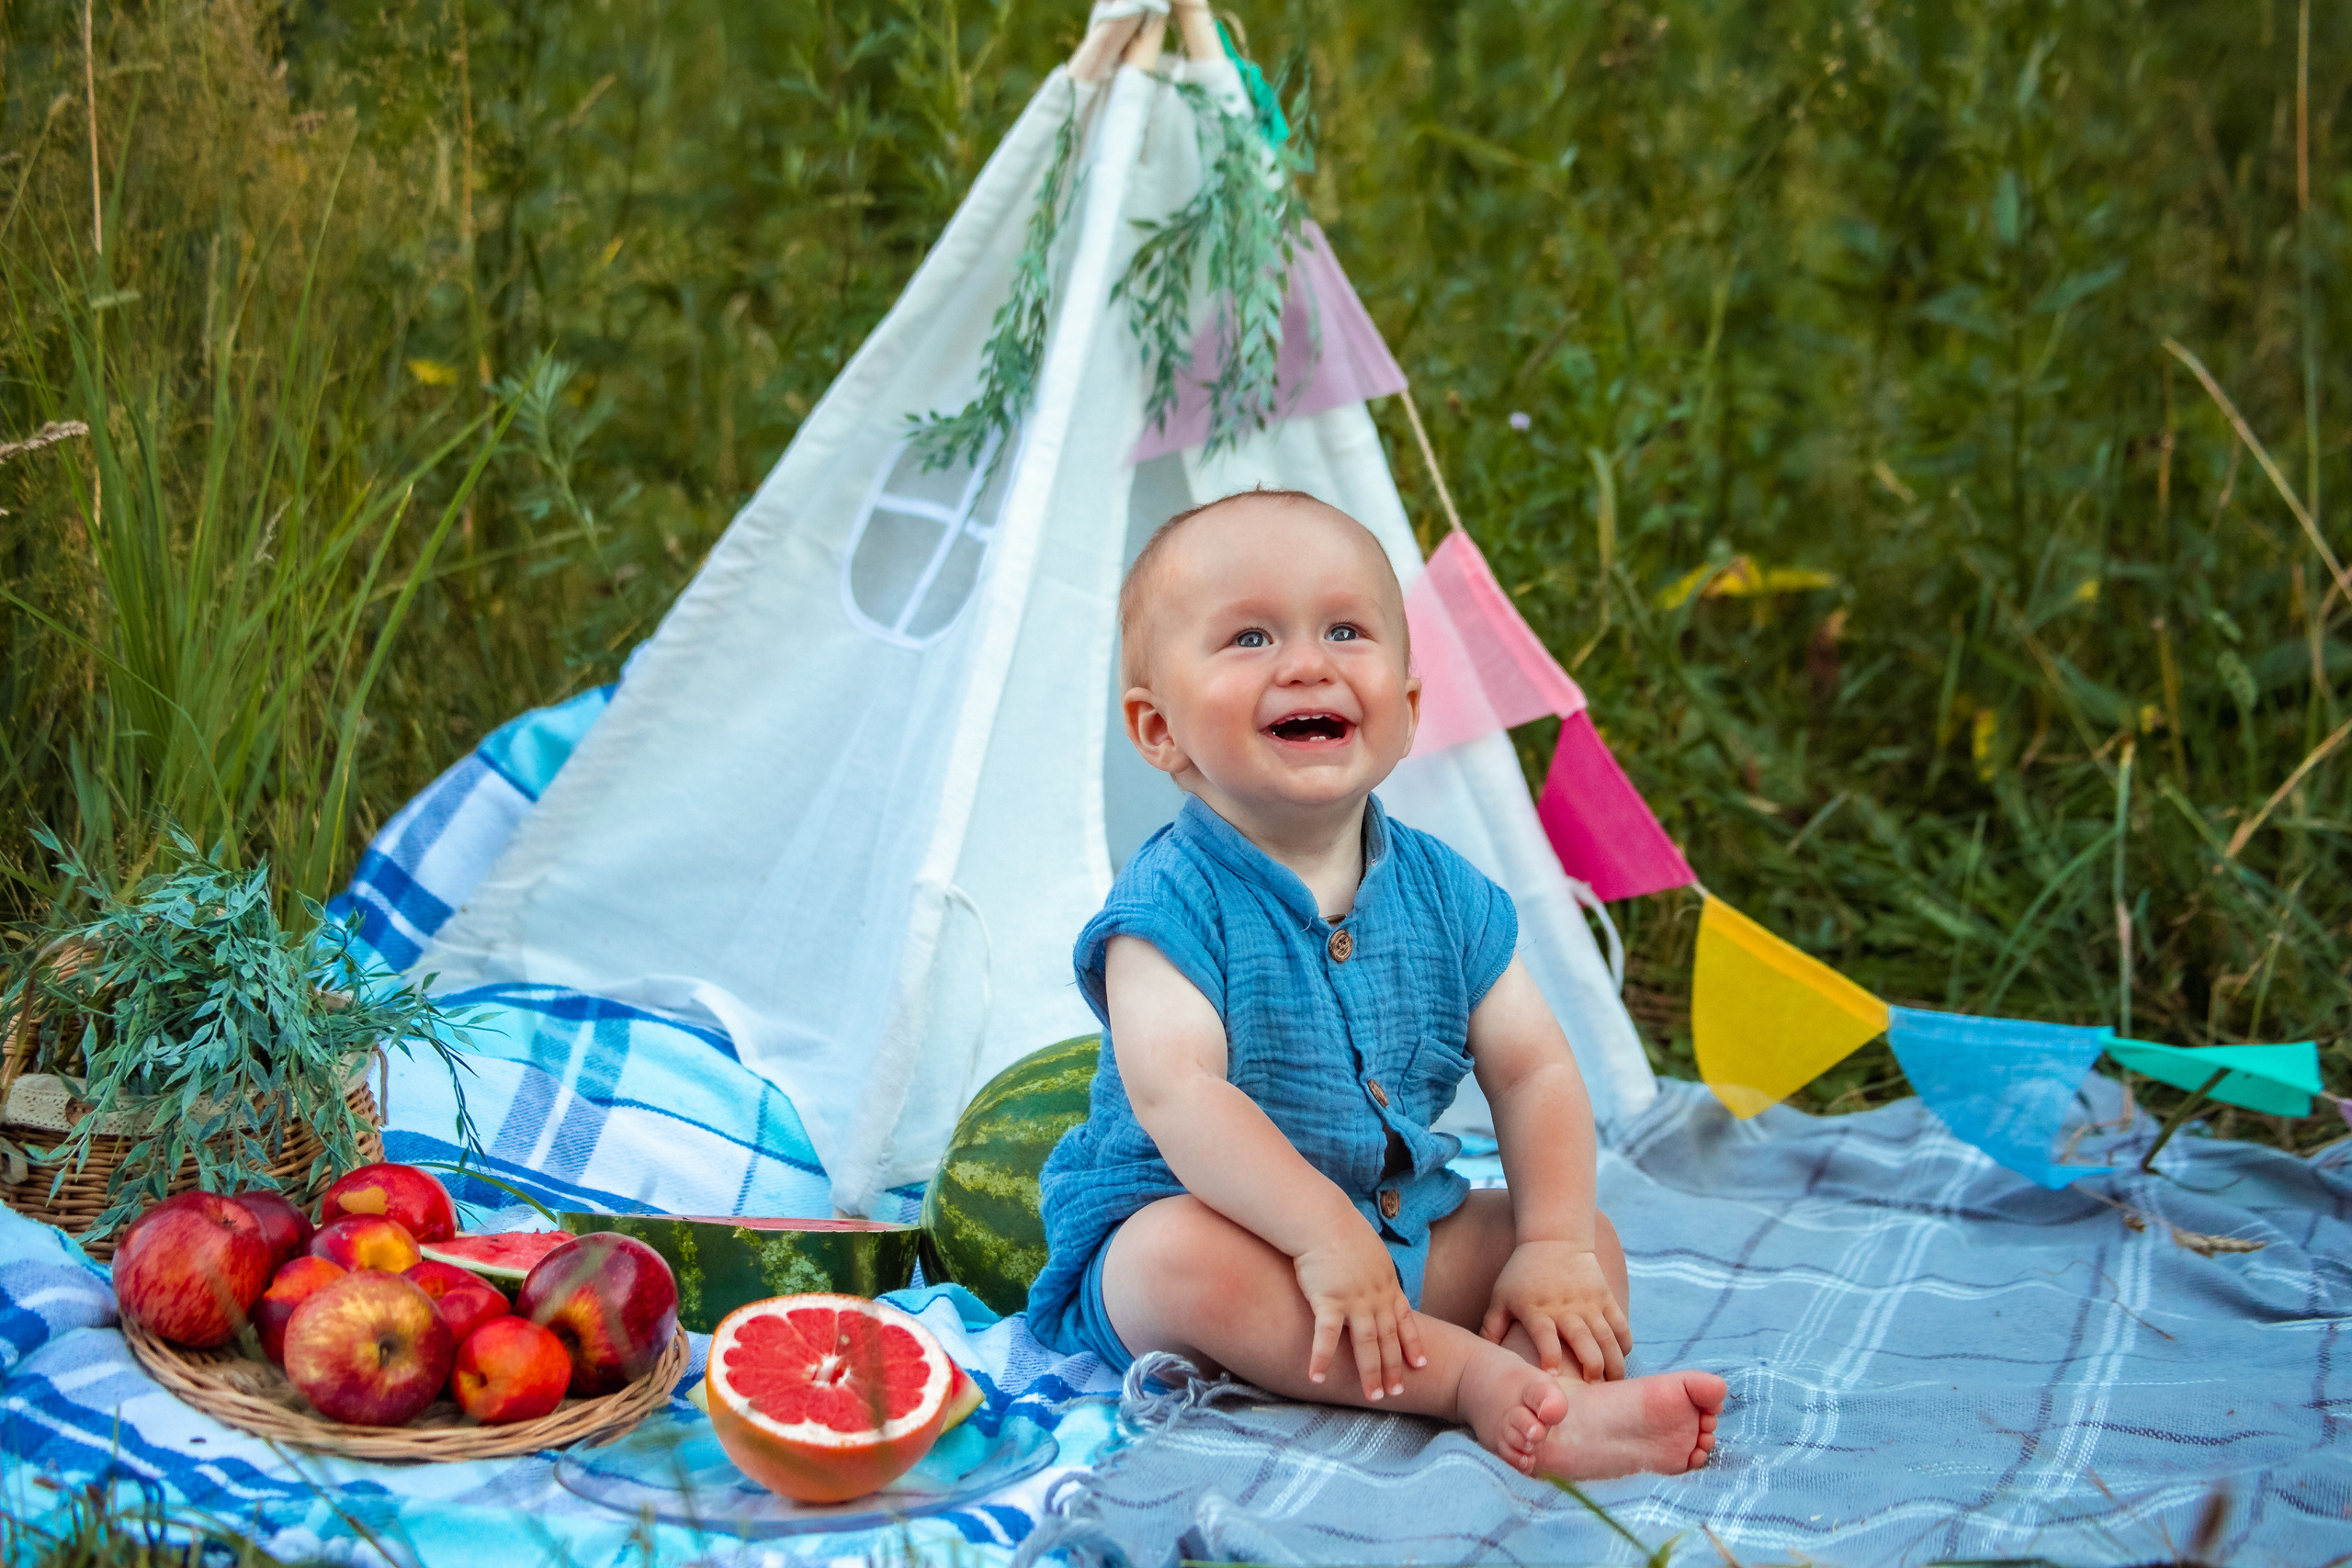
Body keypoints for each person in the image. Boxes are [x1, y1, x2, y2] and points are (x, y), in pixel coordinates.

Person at [1025, 488, 1726, 1481]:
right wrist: (1316, 1232)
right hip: (1227, 1240)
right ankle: (1470, 1383)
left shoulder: (1448, 895)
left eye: (1344, 629)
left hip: (1400, 1226)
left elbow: (1529, 1074)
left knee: (1582, 1239)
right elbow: (1179, 1094)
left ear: (1403, 711)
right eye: (1250, 638)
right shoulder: (1166, 905)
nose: (1306, 662)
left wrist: (1555, 1244)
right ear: (1158, 730)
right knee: (1172, 1260)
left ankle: (1550, 1400)